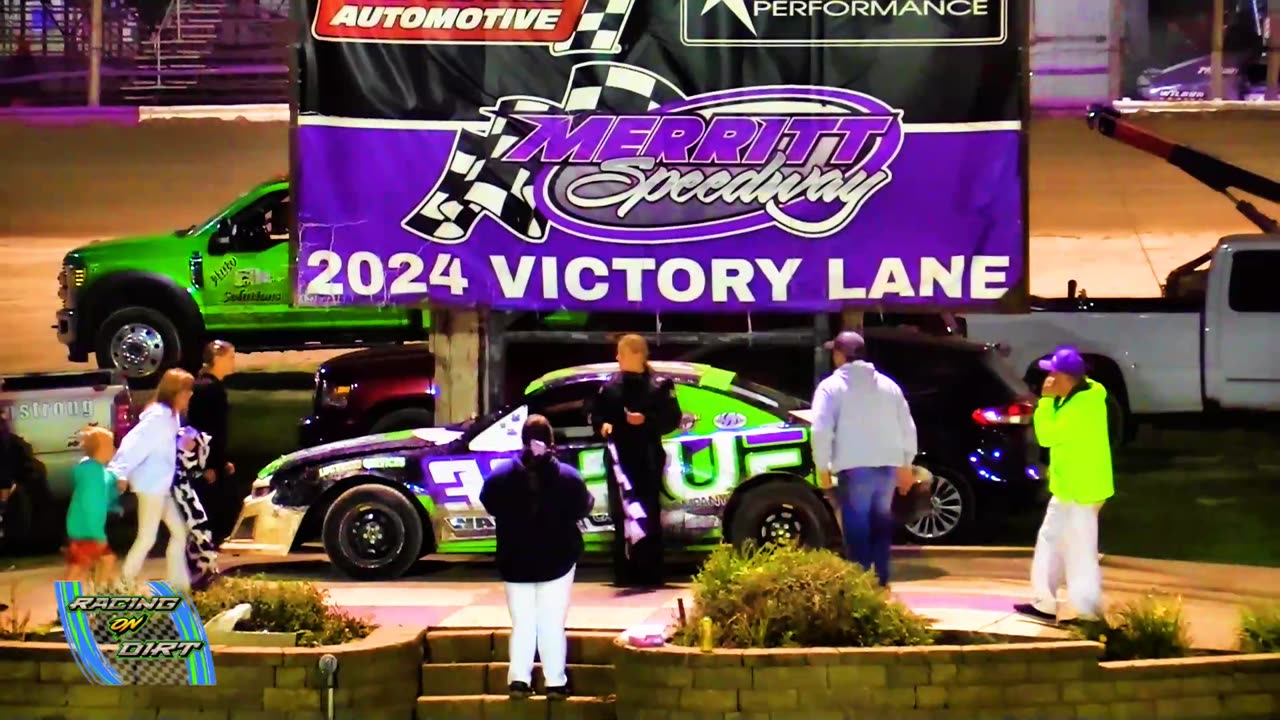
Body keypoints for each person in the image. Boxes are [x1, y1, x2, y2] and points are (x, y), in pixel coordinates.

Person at [480, 415, 593, 701]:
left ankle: (519, 680)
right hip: (557, 559)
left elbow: (489, 502)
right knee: (552, 623)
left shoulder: (501, 476)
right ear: (551, 441)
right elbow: (584, 505)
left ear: (523, 441)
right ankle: (555, 682)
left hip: (515, 560)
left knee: (523, 623)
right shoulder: (567, 476)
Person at [810, 331, 917, 587]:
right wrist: (906, 464)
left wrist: (822, 465)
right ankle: (880, 580)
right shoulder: (889, 386)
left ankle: (861, 584)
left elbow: (821, 429)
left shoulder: (830, 388)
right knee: (880, 523)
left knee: (856, 525)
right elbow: (907, 426)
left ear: (839, 355)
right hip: (887, 466)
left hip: (854, 466)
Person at [1015, 347, 1114, 624]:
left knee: (1080, 549)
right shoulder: (1076, 396)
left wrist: (1044, 402)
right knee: (1050, 539)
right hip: (1068, 488)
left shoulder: (1083, 406)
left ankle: (1087, 612)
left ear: (1065, 378)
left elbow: (1046, 436)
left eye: (1052, 373)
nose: (1047, 378)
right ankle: (1044, 601)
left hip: (1083, 490)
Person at [590, 335, 682, 589]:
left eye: (621, 353)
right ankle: (624, 573)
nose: (617, 358)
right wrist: (603, 425)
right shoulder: (610, 386)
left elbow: (672, 419)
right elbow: (595, 414)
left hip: (647, 459)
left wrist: (646, 420)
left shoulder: (659, 385)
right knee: (621, 516)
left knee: (647, 515)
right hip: (619, 462)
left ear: (636, 355)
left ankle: (651, 574)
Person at [111, 368, 195, 590]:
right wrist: (120, 471)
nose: (190, 395)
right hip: (151, 486)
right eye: (186, 391)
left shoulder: (170, 416)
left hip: (159, 485)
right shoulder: (159, 417)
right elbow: (133, 444)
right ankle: (125, 583)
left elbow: (163, 445)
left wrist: (182, 442)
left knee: (178, 532)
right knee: (148, 536)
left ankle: (179, 584)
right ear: (175, 392)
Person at [187, 340, 237, 545]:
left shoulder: (212, 386)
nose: (234, 362)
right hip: (207, 462)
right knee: (212, 510)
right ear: (216, 359)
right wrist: (207, 464)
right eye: (230, 357)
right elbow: (203, 429)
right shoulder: (208, 389)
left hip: (213, 459)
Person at [64, 426, 127, 584]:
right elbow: (90, 504)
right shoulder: (93, 473)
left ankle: (94, 597)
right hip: (86, 530)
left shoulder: (97, 470)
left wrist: (116, 492)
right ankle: (71, 602)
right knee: (80, 566)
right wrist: (98, 534)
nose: (114, 449)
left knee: (100, 561)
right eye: (110, 445)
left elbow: (105, 493)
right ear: (101, 449)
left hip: (82, 527)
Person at [172, 426, 220, 589]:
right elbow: (187, 464)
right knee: (192, 533)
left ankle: (200, 572)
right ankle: (201, 572)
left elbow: (191, 467)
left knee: (195, 533)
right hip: (180, 492)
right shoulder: (183, 444)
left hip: (185, 491)